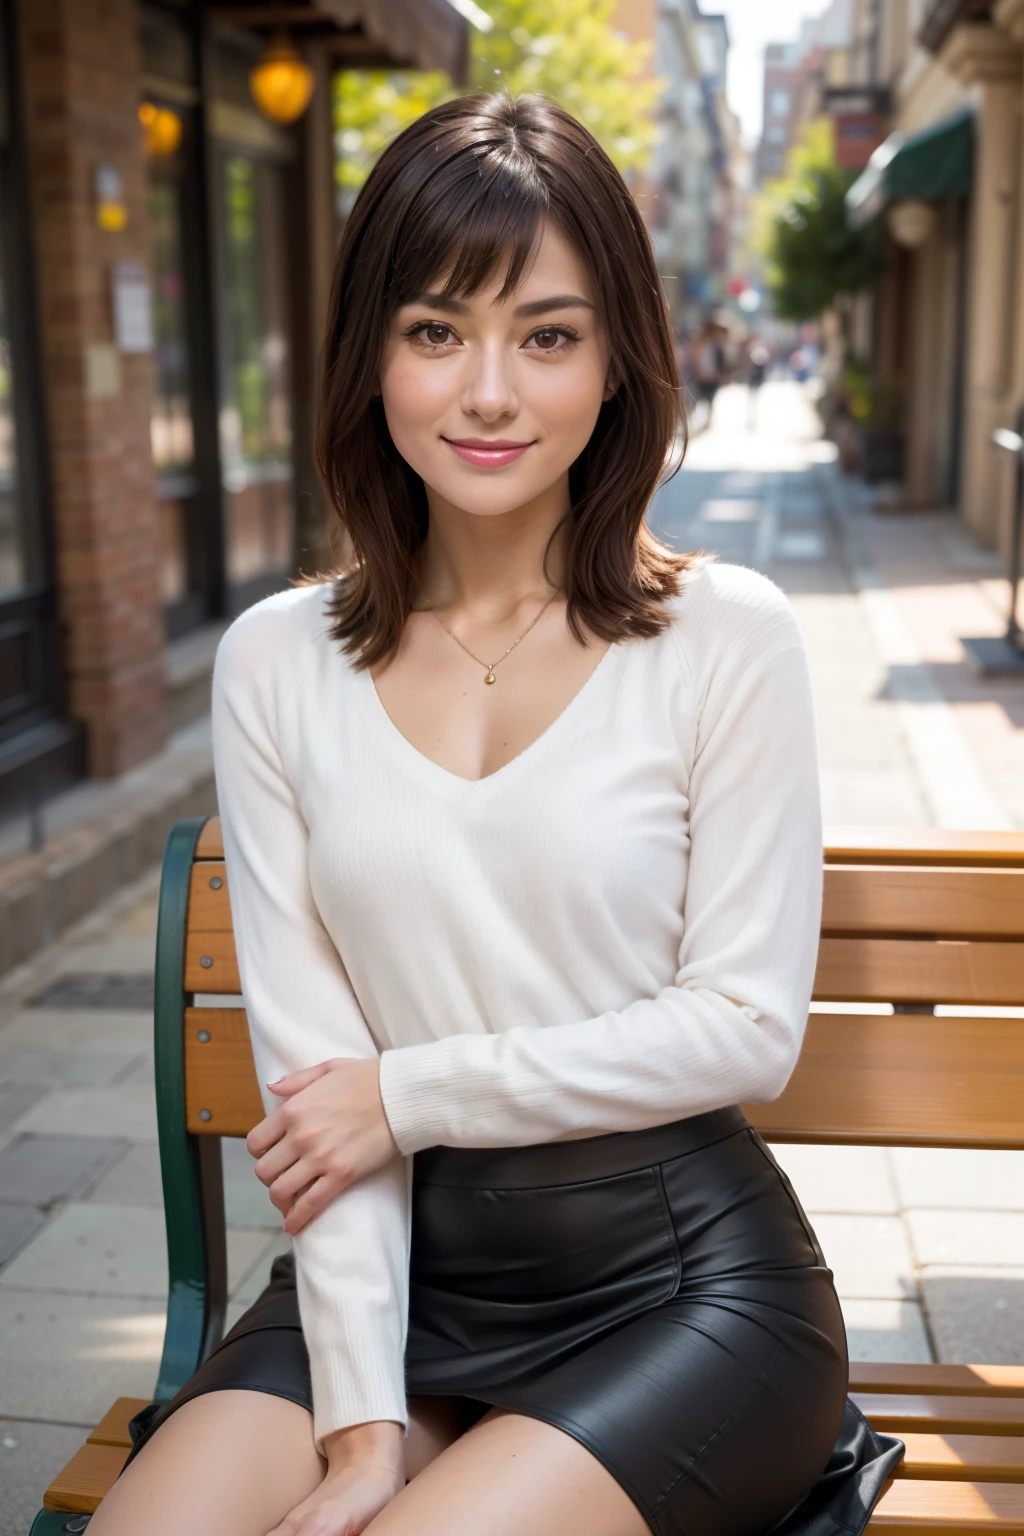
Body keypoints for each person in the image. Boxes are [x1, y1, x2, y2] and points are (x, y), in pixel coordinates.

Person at [90, 94, 901, 1536]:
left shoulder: (725, 636)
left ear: (615, 364)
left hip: (680, 1290)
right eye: (433, 330)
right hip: (392, 1279)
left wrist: (411, 1095)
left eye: (545, 334)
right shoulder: (276, 662)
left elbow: (744, 1027)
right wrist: (355, 1433)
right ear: (371, 358)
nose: (487, 393)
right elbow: (310, 1093)